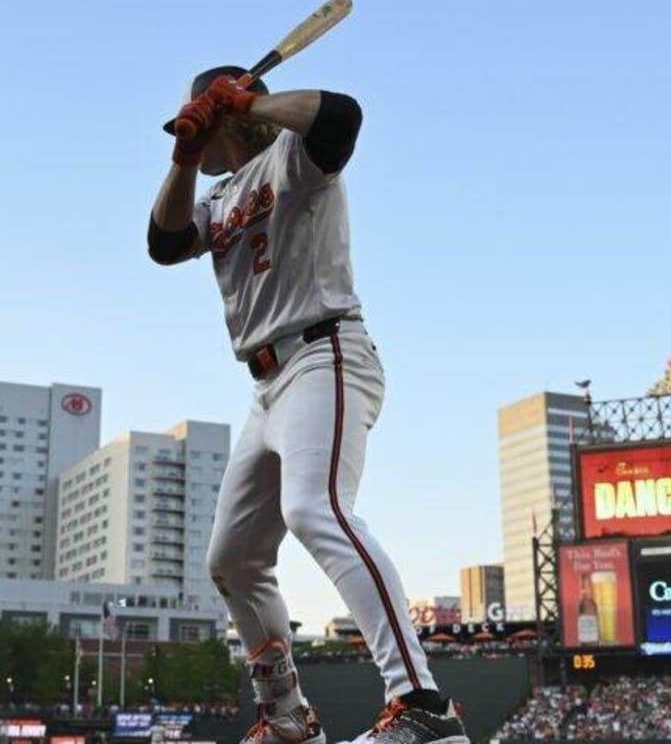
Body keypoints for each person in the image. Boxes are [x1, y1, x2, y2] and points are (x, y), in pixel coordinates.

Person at [148, 69, 467, 744]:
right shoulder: (218, 195)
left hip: (326, 350)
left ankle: (422, 705)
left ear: (228, 111)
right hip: (266, 385)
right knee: (232, 558)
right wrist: (182, 157)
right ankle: (287, 717)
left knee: (314, 508)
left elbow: (342, 116)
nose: (191, 127)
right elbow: (164, 243)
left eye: (200, 115)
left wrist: (247, 102)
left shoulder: (293, 156)